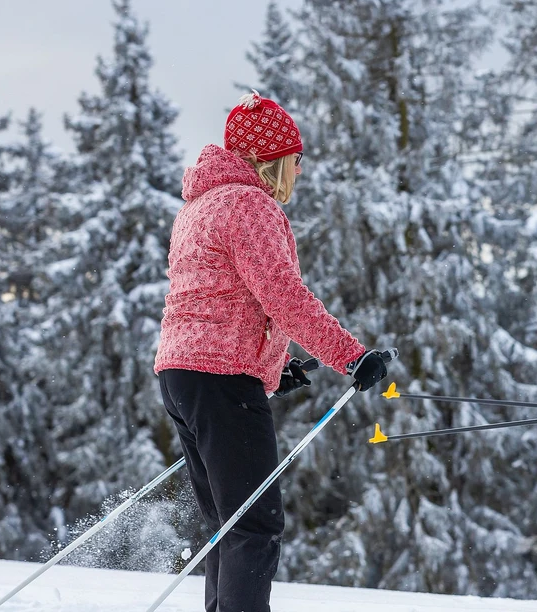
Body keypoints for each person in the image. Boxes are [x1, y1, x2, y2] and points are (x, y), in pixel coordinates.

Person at [154, 92, 392, 612]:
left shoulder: (199, 207)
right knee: (255, 526)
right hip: (219, 380)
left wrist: (270, 367)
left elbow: (216, 301)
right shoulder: (250, 204)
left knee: (228, 522)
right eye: (295, 158)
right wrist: (352, 357)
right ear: (270, 159)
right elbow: (281, 296)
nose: (300, 171)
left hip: (182, 375)